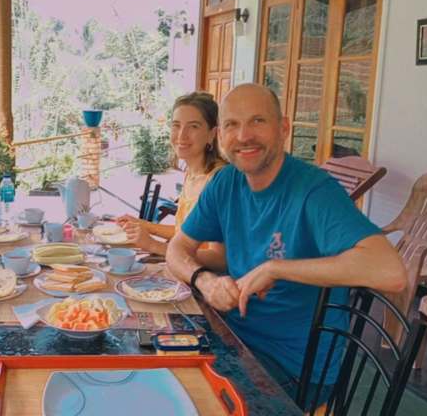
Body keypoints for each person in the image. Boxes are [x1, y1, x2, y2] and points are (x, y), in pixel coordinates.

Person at [166, 83, 407, 409]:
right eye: (232, 124)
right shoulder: (226, 182)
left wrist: (276, 268)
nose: (244, 136)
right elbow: (177, 250)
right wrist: (204, 281)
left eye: (258, 121)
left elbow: (391, 272)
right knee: (155, 369)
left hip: (293, 369)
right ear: (220, 135)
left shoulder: (314, 190)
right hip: (231, 338)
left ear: (283, 129)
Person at [116, 92, 226, 265]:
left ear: (212, 134)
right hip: (183, 269)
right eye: (176, 125)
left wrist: (154, 246)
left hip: (205, 278)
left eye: (193, 126)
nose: (181, 135)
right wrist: (143, 225)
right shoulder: (192, 173)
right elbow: (185, 233)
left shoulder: (220, 181)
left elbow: (220, 259)